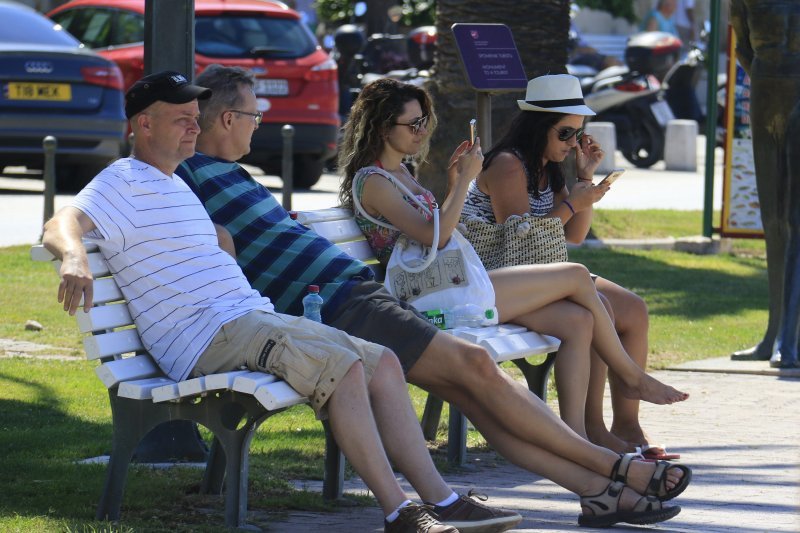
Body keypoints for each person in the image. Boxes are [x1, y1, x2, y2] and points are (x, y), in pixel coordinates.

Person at [177, 65, 689, 528]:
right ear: (226, 119)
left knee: (477, 385)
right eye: (253, 114)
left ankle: (598, 491)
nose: (259, 123)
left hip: (363, 295)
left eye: (425, 122)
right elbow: (434, 235)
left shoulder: (233, 176)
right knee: (481, 368)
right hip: (346, 302)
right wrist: (463, 183)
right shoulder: (191, 176)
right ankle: (617, 468)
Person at [41, 70, 525, 533]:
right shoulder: (123, 178)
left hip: (248, 317)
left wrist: (221, 248)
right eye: (180, 118)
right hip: (208, 333)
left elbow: (214, 239)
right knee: (344, 366)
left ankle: (440, 500)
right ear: (143, 124)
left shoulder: (174, 184)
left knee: (384, 365)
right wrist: (75, 260)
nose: (194, 125)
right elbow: (62, 222)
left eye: (195, 115)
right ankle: (399, 514)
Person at [464, 73, 676, 458]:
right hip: (495, 276)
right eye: (564, 134)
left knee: (633, 309)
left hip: (539, 272)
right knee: (598, 310)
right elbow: (522, 239)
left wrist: (584, 180)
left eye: (577, 135)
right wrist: (574, 202)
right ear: (537, 127)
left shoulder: (546, 166)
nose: (572, 143)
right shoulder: (509, 165)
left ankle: (625, 425)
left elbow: (574, 235)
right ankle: (597, 422)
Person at [730, 0, 800, 369]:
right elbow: (742, 46)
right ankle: (775, 333)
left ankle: (790, 339)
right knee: (773, 219)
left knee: (796, 220)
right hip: (767, 91)